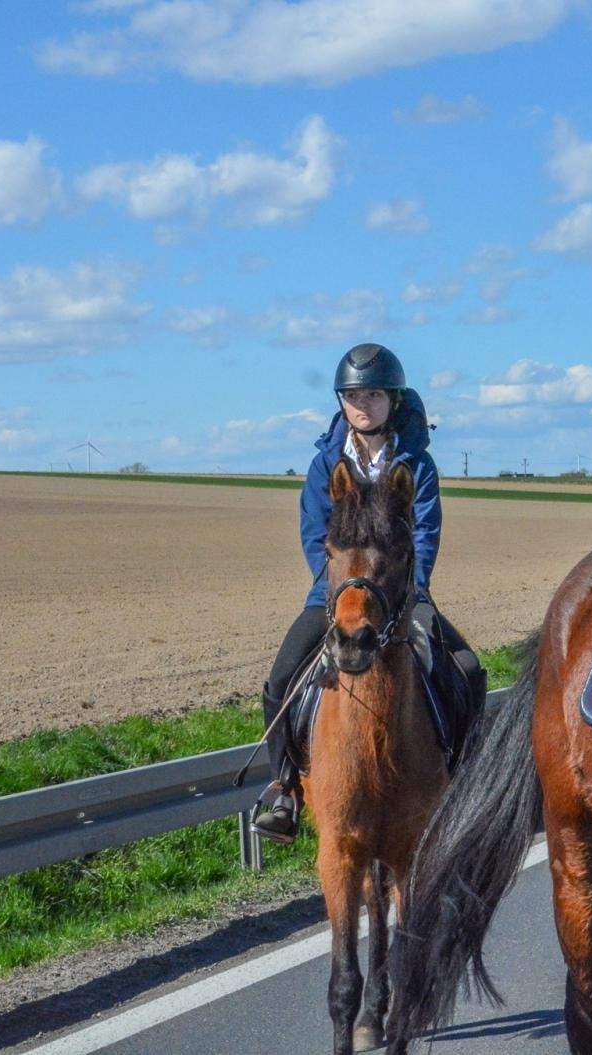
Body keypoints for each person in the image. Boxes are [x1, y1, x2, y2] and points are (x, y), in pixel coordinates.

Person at [251, 343, 480, 843]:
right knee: (282, 676)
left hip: (402, 596)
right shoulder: (324, 465)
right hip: (335, 598)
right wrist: (339, 592)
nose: (363, 404)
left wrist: (411, 591)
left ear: (393, 400)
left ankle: (462, 777)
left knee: (466, 668)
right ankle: (285, 789)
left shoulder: (418, 465)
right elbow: (316, 535)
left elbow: (425, 533)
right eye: (354, 395)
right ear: (342, 401)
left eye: (373, 395)